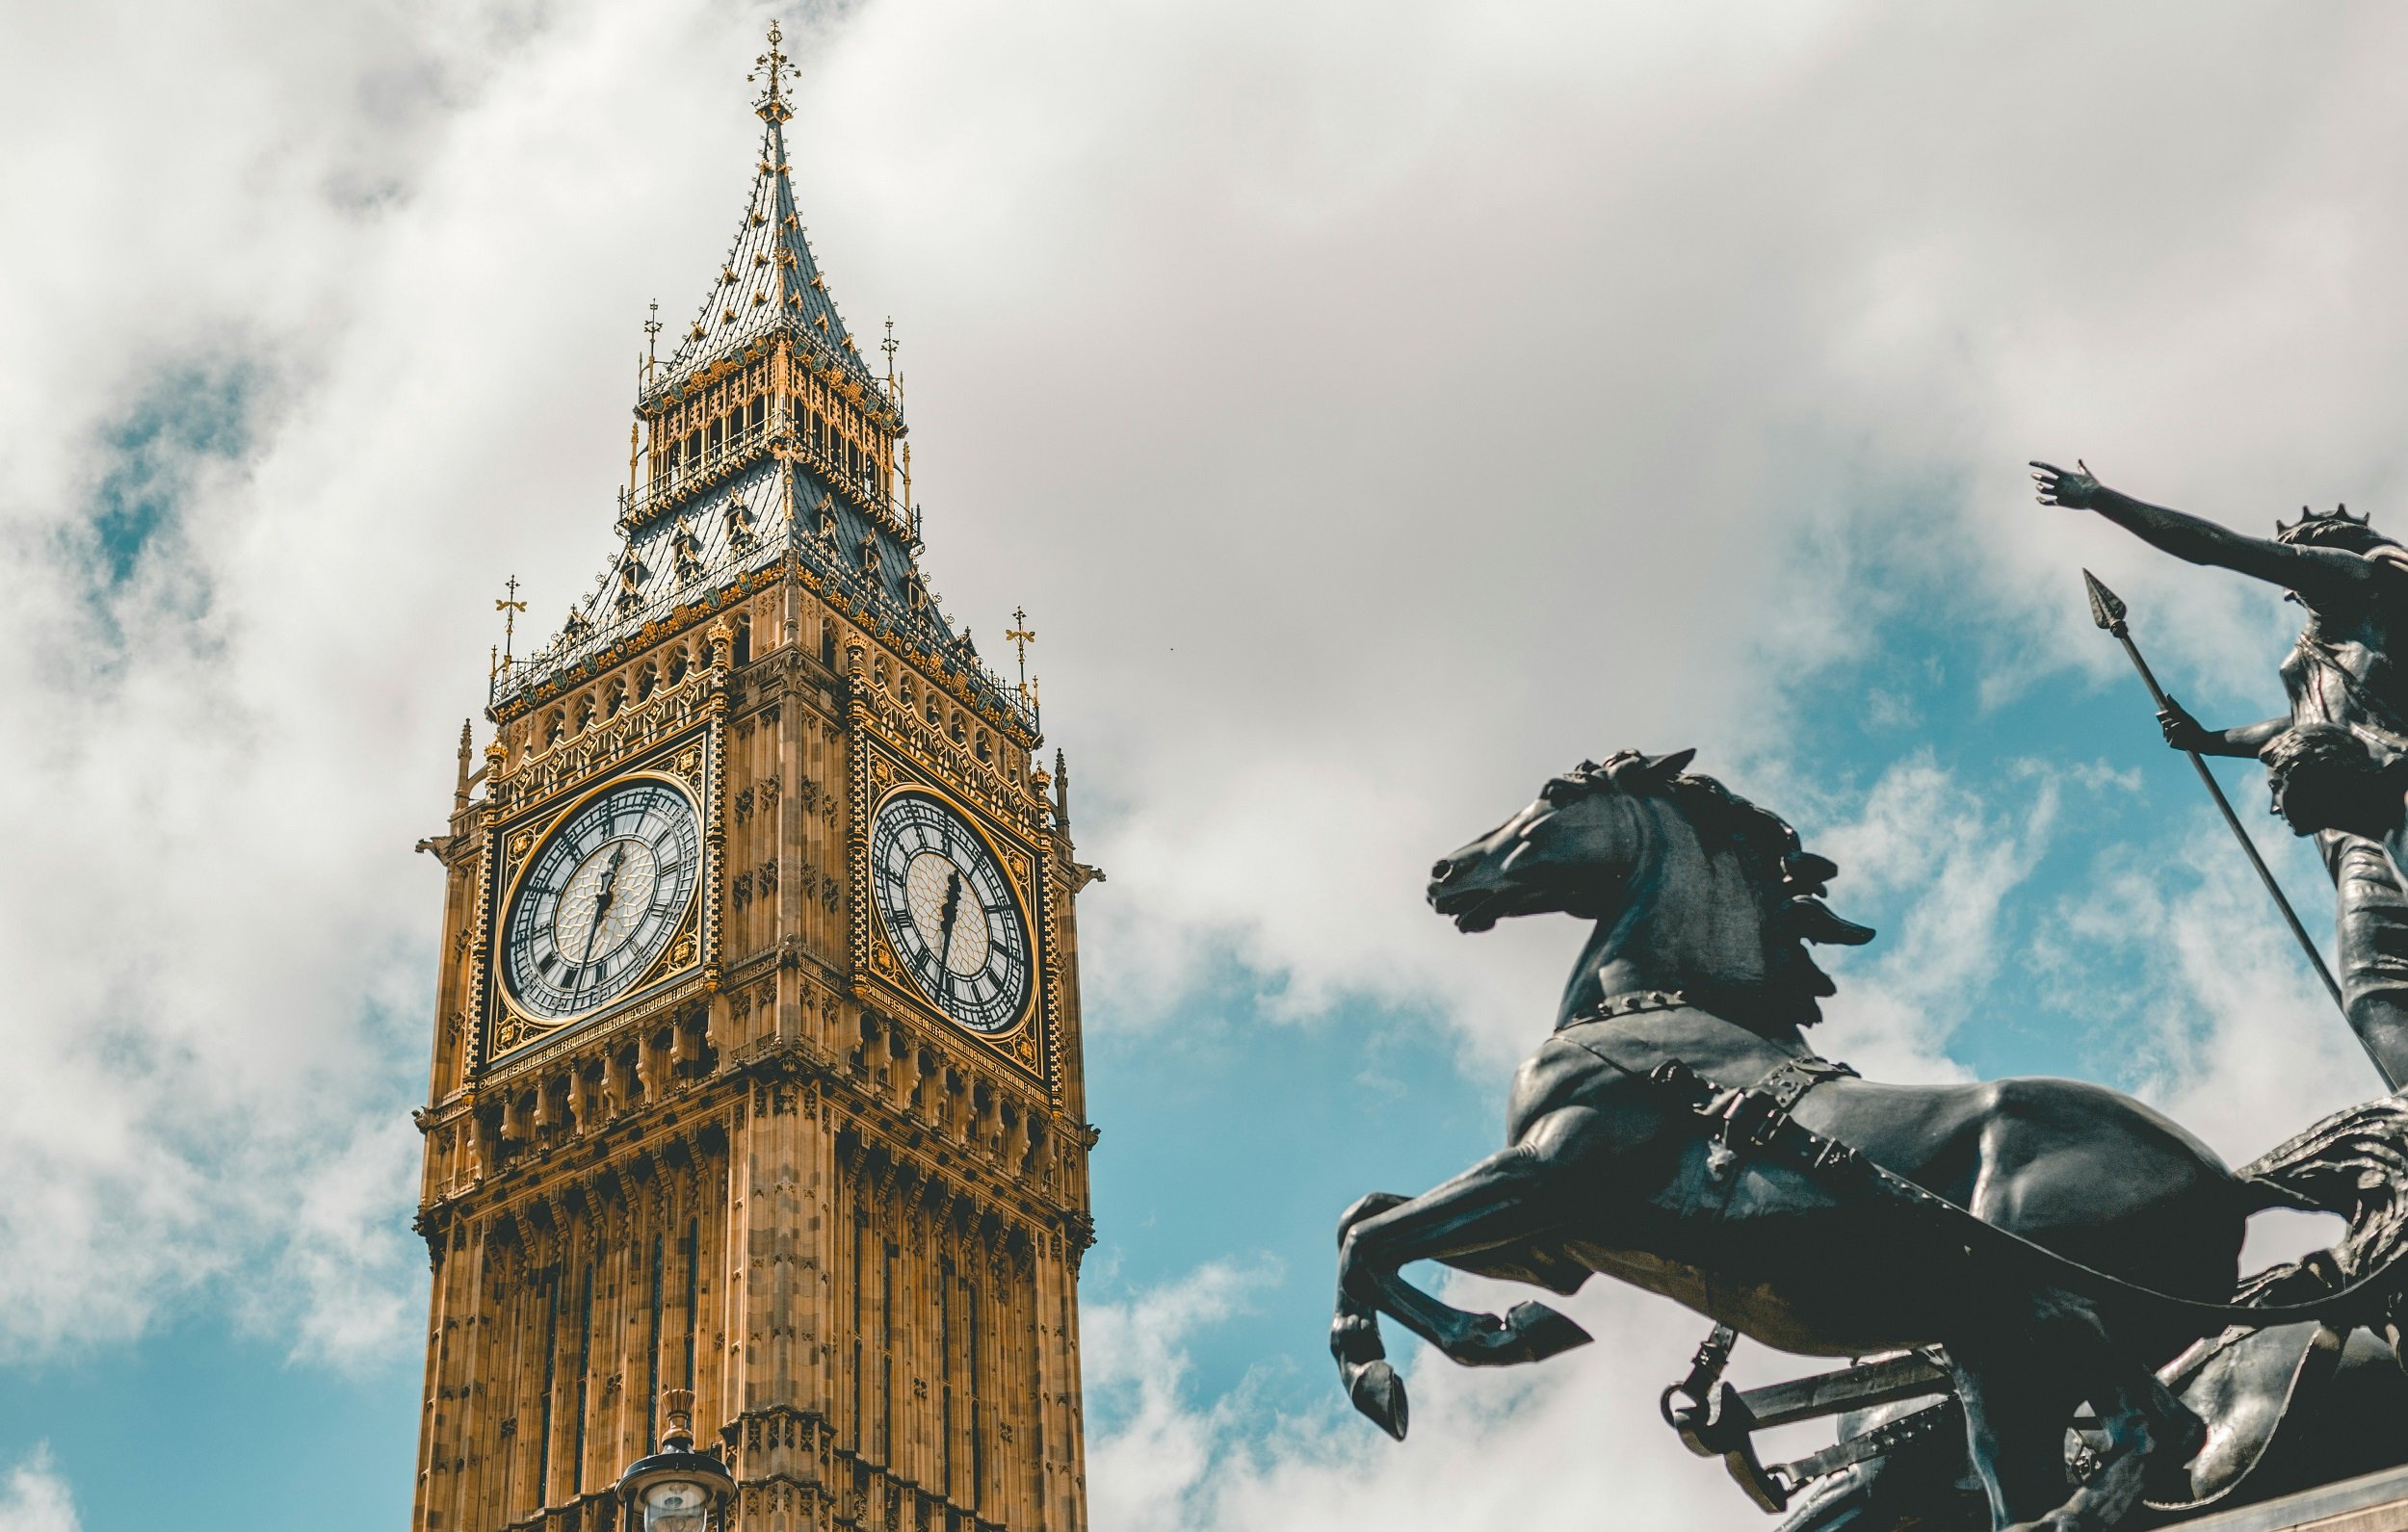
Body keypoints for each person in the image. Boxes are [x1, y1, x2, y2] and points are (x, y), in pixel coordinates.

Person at [2032, 459, 2408, 1081]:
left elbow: (2216, 548)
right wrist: (2209, 739)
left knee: (2379, 987)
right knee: (2374, 992)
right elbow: (2304, 722)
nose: (2291, 569)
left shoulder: (2358, 583)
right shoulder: (2327, 646)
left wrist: (2100, 498)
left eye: (2298, 551)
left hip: (2394, 789)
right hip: (2351, 831)